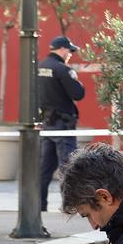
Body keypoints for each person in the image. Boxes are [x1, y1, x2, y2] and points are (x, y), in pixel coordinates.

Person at [38, 34, 86, 211]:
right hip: (63, 126)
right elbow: (78, 94)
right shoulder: (62, 69)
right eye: (70, 51)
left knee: (44, 169)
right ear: (63, 49)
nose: (70, 54)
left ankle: (39, 205)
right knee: (68, 167)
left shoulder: (39, 67)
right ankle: (68, 206)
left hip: (47, 125)